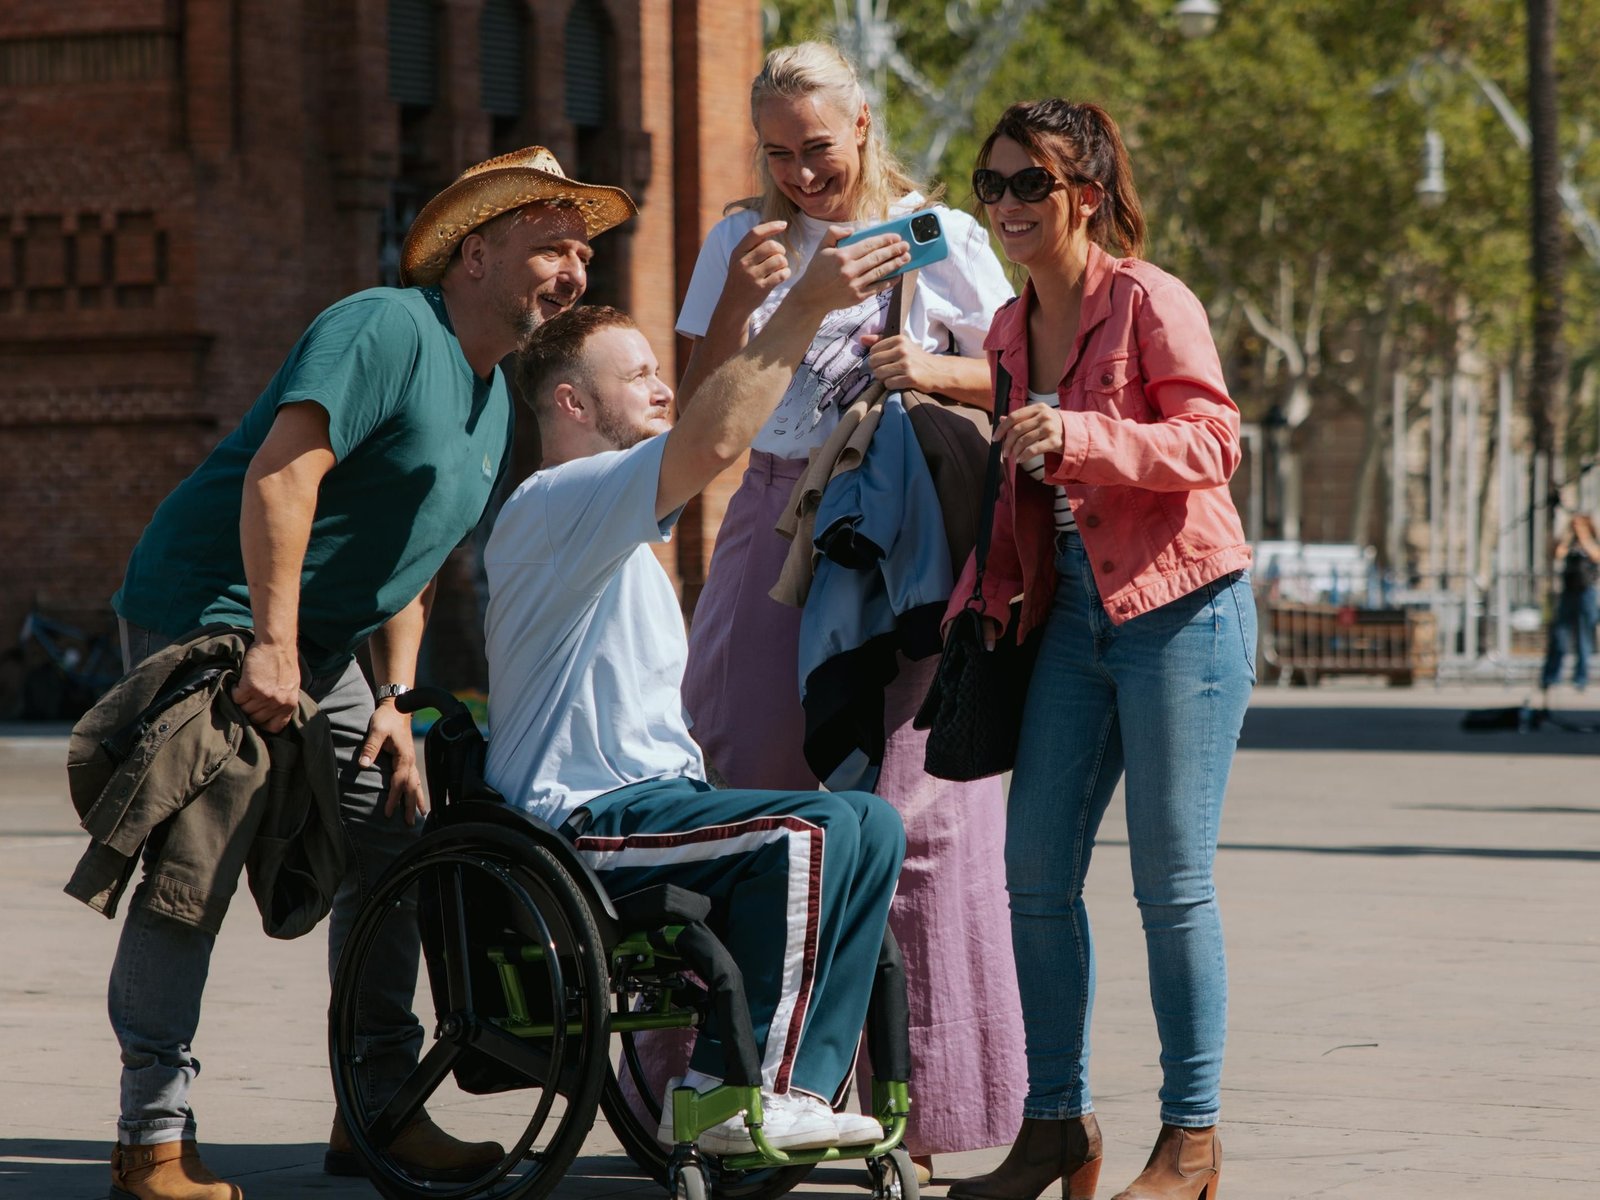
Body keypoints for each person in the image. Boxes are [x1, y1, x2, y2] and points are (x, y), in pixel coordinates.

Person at [101, 147, 634, 1200]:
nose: (573, 269)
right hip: (210, 611)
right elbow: (283, 478)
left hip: (326, 640)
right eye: (550, 244)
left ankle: (376, 1104)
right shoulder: (386, 326)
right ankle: (149, 1138)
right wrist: (270, 643)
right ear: (474, 251)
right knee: (193, 866)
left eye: (582, 251)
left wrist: (392, 701)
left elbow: (413, 565)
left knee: (395, 836)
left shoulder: (491, 400)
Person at [671, 41, 1025, 1179]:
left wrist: (924, 365)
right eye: (777, 153)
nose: (799, 174)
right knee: (739, 778)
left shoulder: (940, 236)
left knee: (917, 817)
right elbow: (697, 398)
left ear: (864, 124)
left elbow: (1022, 374)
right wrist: (739, 294)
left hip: (901, 514)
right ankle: (725, 1093)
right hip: (774, 514)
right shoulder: (741, 237)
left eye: (816, 148)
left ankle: (927, 1112)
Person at [481, 231, 910, 1151]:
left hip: (659, 807)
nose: (660, 384)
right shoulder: (557, 501)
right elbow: (714, 435)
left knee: (870, 822)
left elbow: (702, 414)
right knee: (814, 830)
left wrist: (730, 321)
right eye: (636, 375)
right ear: (572, 403)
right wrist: (806, 305)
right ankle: (727, 1091)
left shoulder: (609, 516)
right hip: (584, 823)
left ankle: (802, 1091)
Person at [944, 101, 1255, 1200]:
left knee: (1170, 887)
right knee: (1031, 875)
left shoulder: (1148, 299)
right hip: (1070, 617)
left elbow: (1214, 439)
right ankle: (1056, 1127)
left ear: (1084, 193)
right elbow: (1015, 504)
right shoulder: (1001, 329)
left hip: (1183, 606)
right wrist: (982, 597)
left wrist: (1080, 435)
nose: (1008, 204)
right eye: (992, 185)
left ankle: (1193, 1140)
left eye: (1030, 182)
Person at [1540, 513, 1600, 698]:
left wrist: (1583, 535)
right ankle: (1551, 676)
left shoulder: (1591, 541)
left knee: (1583, 638)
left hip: (1586, 593)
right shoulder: (1568, 543)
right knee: (1560, 636)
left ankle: (1580, 678)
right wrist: (1567, 535)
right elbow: (1557, 554)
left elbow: (1596, 556)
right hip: (1568, 592)